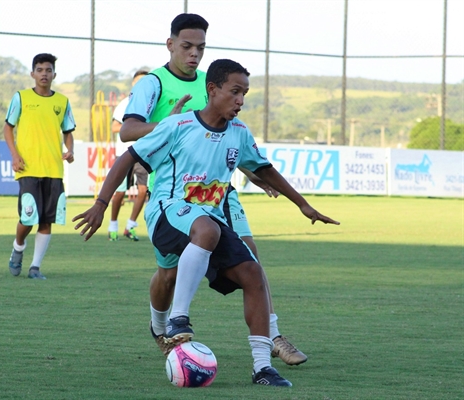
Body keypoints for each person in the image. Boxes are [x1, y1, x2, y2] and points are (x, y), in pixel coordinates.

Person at [73, 59, 340, 387]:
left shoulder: (239, 133)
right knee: (204, 233)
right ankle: (177, 319)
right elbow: (127, 157)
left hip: (205, 221)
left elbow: (264, 168)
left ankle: (262, 368)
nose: (241, 100)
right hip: (167, 213)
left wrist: (303, 204)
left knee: (253, 272)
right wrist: (101, 204)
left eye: (245, 93)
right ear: (212, 90)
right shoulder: (179, 125)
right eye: (235, 92)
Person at [120, 13, 307, 366]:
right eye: (187, 46)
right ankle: (161, 327)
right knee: (169, 273)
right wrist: (168, 123)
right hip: (174, 194)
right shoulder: (153, 84)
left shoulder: (215, 80)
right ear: (170, 43)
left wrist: (252, 171)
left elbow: (230, 137)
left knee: (250, 260)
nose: (194, 54)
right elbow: (128, 132)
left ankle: (272, 336)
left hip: (220, 193)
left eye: (200, 48)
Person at [4, 53, 76, 280]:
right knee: (28, 217)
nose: (44, 74)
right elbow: (8, 128)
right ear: (32, 73)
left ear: (54, 74)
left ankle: (35, 267)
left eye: (48, 70)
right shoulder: (21, 98)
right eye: (40, 70)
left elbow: (68, 131)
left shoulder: (62, 102)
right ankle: (18, 246)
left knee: (46, 219)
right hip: (28, 168)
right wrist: (15, 156)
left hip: (53, 169)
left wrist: (70, 150)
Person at [108, 70, 149, 242]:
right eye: (138, 82)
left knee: (143, 190)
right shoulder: (125, 103)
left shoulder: (151, 103)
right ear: (133, 84)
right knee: (119, 192)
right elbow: (115, 127)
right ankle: (113, 225)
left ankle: (131, 225)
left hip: (144, 152)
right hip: (125, 153)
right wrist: (132, 129)